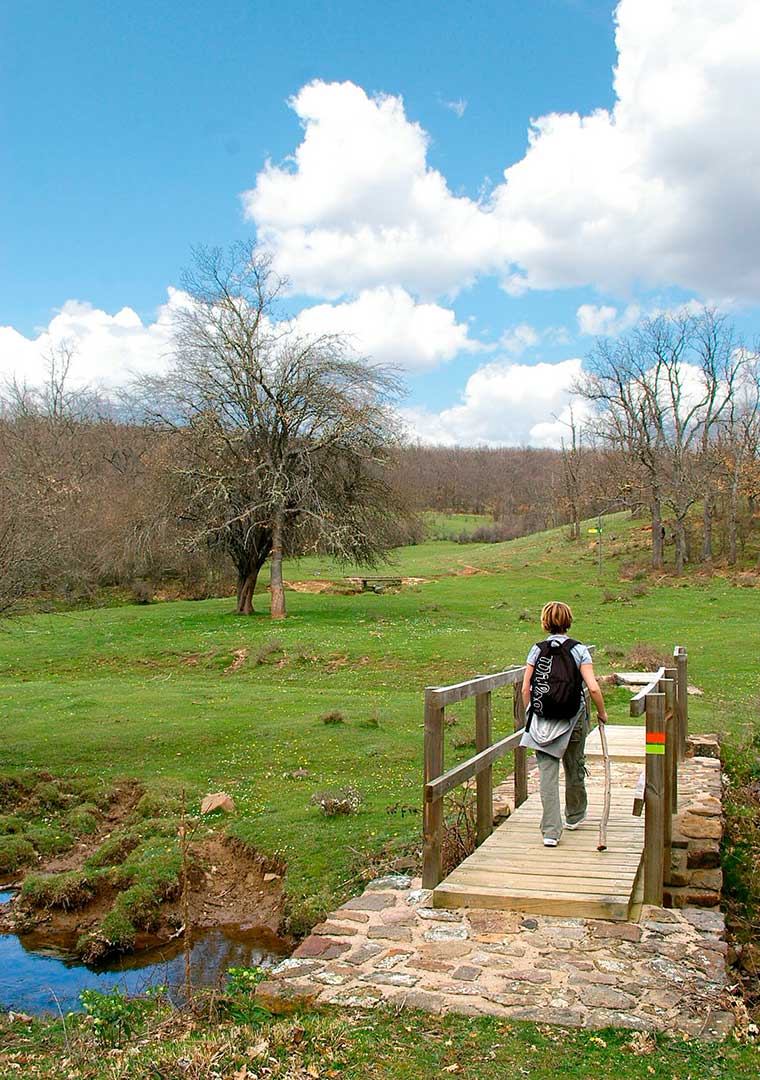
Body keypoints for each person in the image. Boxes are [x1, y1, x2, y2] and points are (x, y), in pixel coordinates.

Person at [520, 601, 608, 847]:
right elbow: (592, 687)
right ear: (569, 621)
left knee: (547, 774)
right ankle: (575, 815)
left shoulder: (537, 650)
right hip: (573, 717)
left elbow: (526, 688)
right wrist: (602, 712)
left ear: (544, 623)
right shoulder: (579, 650)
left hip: (543, 719)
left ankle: (550, 832)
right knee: (574, 765)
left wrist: (530, 712)